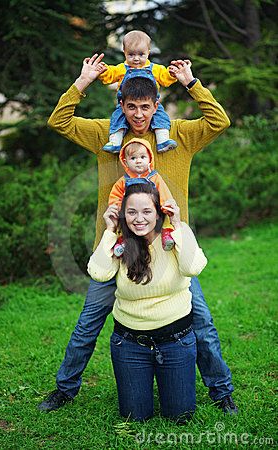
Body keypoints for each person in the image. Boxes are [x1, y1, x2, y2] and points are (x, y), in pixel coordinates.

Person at [38, 53, 238, 415]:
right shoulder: (108, 137)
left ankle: (221, 391)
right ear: (122, 106)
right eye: (131, 107)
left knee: (203, 324)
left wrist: (191, 82)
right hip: (118, 250)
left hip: (170, 252)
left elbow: (219, 121)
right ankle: (65, 389)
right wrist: (83, 81)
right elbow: (59, 120)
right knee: (88, 324)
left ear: (155, 105)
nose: (139, 115)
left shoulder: (177, 135)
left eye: (145, 107)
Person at [88, 183, 207, 421]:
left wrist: (179, 224)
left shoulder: (174, 236)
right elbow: (99, 273)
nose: (139, 218)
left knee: (180, 416)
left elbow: (192, 267)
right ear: (123, 214)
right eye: (131, 212)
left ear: (159, 212)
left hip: (176, 342)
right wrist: (109, 230)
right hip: (130, 344)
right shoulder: (120, 244)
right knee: (135, 416)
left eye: (147, 211)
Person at [98, 30, 177, 153]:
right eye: (131, 55)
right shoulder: (121, 69)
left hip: (149, 103)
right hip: (127, 103)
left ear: (148, 53)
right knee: (118, 118)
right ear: (124, 52)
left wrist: (172, 74)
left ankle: (163, 140)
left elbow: (165, 78)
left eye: (141, 54)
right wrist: (102, 71)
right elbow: (110, 74)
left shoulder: (155, 69)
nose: (136, 59)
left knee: (161, 117)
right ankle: (115, 142)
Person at [109, 137, 176, 256]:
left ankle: (166, 235)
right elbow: (115, 195)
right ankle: (122, 241)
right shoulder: (124, 181)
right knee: (124, 223)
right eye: (133, 158)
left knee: (163, 219)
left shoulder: (155, 178)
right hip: (131, 211)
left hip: (152, 210)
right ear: (125, 162)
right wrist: (117, 208)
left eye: (142, 157)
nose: (138, 161)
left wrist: (166, 206)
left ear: (150, 159)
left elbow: (164, 192)